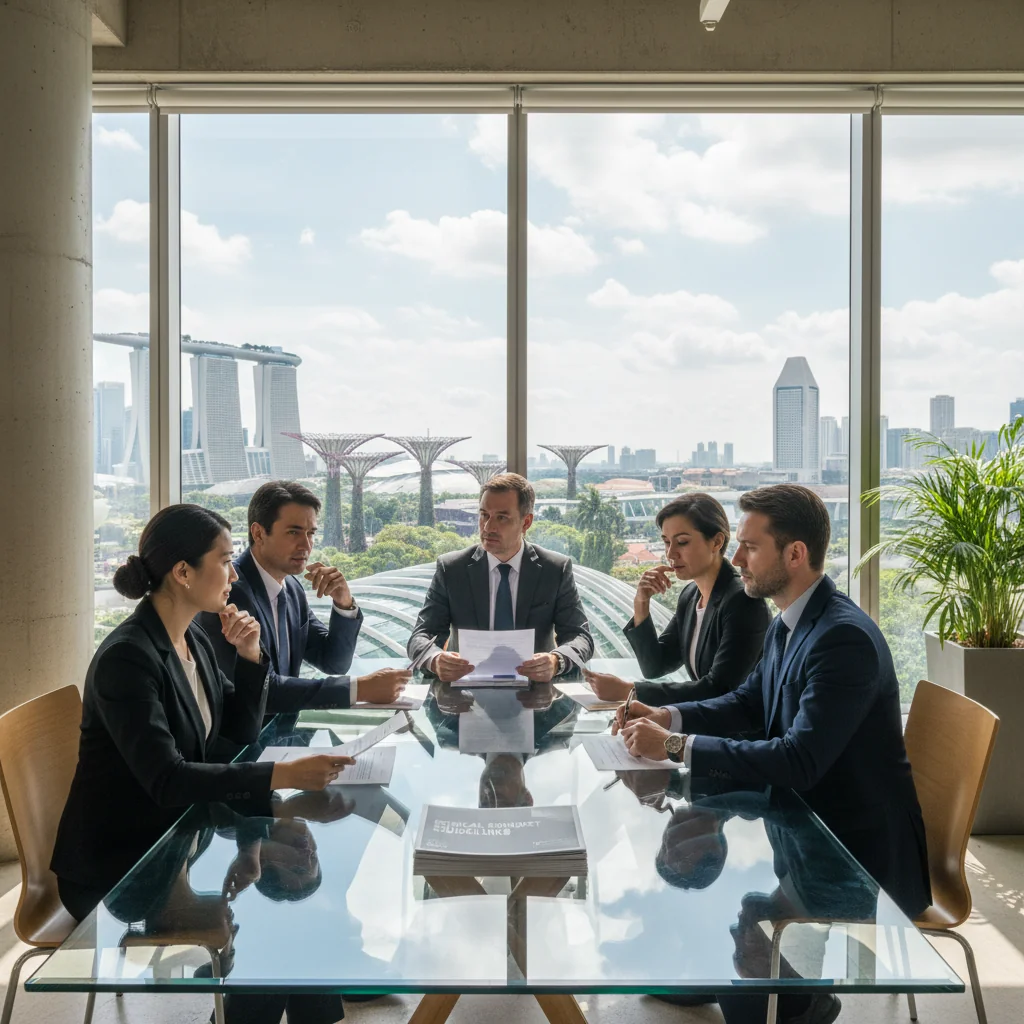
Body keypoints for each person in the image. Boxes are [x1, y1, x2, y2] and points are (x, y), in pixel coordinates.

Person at [614, 484, 930, 1024]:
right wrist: (669, 717)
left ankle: (804, 1000)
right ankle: (754, 983)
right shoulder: (792, 621)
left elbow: (799, 760)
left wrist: (674, 745)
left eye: (749, 547)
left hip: (855, 856)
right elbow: (746, 703)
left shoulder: (841, 639)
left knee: (744, 981)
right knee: (718, 917)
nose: (736, 559)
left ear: (795, 554)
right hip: (804, 830)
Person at [52, 504, 356, 928]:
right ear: (183, 572)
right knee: (270, 924)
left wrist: (251, 658)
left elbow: (236, 735)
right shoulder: (127, 658)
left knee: (278, 917)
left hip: (178, 837)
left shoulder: (192, 635)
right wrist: (282, 776)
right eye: (226, 561)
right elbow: (168, 780)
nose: (234, 575)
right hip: (122, 865)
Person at [199, 480, 409, 713]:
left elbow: (333, 662)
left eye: (311, 533)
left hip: (282, 735)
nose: (306, 545)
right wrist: (359, 688)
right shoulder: (231, 592)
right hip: (246, 743)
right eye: (293, 532)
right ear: (258, 533)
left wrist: (344, 603)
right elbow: (262, 691)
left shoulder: (292, 588)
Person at [584, 492, 771, 706]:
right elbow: (655, 666)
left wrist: (631, 691)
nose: (671, 554)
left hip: (738, 736)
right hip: (704, 727)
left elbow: (719, 688)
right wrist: (641, 603)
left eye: (682, 542)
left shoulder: (743, 601)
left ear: (717, 542)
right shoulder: (691, 596)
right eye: (666, 542)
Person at [407, 473, 594, 682]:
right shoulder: (452, 569)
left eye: (501, 518)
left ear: (526, 522)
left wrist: (556, 661)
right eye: (484, 515)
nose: (488, 528)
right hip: (465, 696)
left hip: (538, 696)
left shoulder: (554, 569)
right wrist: (436, 660)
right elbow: (420, 637)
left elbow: (580, 637)